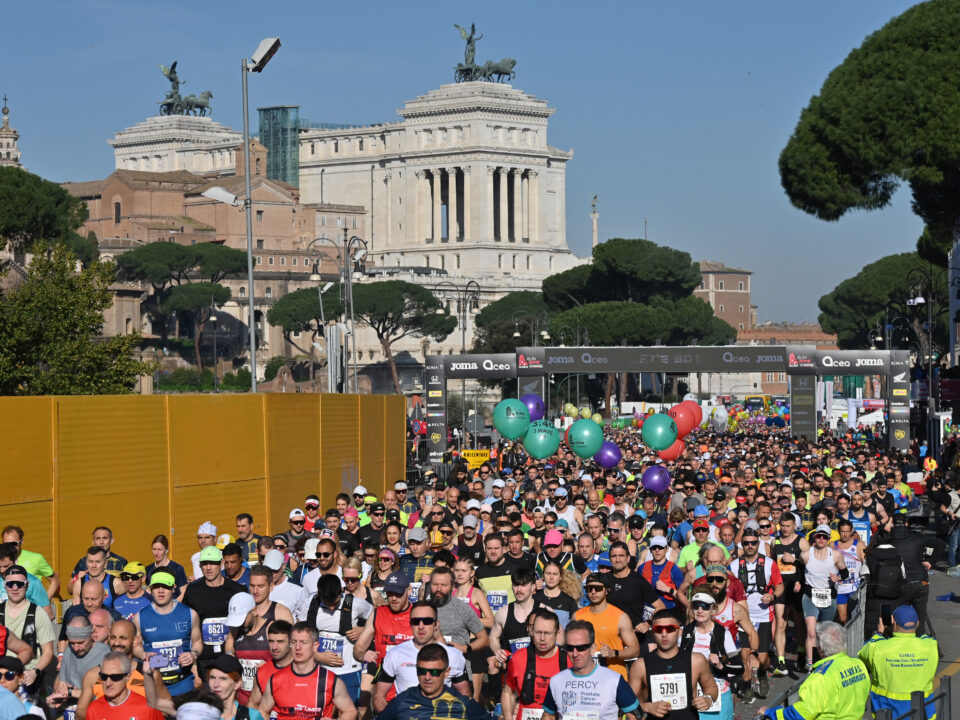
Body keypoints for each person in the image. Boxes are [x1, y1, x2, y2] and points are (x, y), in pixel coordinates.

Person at [372, 601, 470, 712]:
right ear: (410, 624)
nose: (421, 626)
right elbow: (378, 697)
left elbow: (465, 695)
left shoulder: (454, 656)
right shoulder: (394, 654)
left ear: (436, 624)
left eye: (427, 621)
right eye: (416, 621)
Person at [761, 621, 869, 720]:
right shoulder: (858, 664)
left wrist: (770, 713)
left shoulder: (820, 677)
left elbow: (800, 714)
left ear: (821, 648)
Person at [541, 619, 641, 720]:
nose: (575, 654)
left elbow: (636, 716)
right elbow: (548, 716)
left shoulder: (614, 680)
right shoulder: (556, 681)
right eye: (570, 648)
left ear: (593, 648)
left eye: (581, 648)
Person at [630, 609, 718, 720]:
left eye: (670, 629)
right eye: (658, 629)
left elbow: (711, 687)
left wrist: (708, 699)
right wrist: (647, 707)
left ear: (679, 631)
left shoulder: (696, 660)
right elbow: (629, 704)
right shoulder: (640, 665)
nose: (664, 634)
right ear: (652, 632)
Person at [258, 621, 357, 720]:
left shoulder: (330, 680)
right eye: (294, 642)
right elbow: (262, 712)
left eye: (303, 642)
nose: (297, 647)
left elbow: (350, 711)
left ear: (315, 646)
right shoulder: (276, 680)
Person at [728, 527, 783, 697]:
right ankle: (747, 687)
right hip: (743, 617)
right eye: (746, 543)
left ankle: (761, 673)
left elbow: (780, 585)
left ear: (758, 543)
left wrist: (772, 595)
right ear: (742, 545)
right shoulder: (734, 565)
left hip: (764, 615)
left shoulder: (769, 563)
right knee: (745, 653)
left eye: (753, 543)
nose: (750, 546)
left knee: (762, 658)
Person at [858, 606, 939, 720]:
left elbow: (863, 652)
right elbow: (925, 638)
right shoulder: (930, 646)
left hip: (887, 713)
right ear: (918, 623)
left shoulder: (878, 648)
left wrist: (879, 633)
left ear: (893, 621)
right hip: (923, 713)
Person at [133, 571, 201, 698]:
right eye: (156, 587)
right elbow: (135, 646)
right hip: (154, 685)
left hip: (183, 684)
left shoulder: (190, 614)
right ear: (151, 589)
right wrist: (143, 654)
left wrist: (193, 654)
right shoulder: (140, 617)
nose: (160, 591)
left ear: (174, 588)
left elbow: (197, 643)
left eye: (165, 586)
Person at [306, 574, 371, 704]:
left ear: (340, 592)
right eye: (327, 603)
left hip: (348, 671)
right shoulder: (311, 603)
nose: (330, 608)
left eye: (334, 603)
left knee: (348, 711)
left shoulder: (356, 604)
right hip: (319, 671)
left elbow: (376, 616)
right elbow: (300, 634)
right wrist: (316, 656)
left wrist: (363, 629)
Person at [681, 592, 742, 720]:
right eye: (696, 606)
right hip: (690, 690)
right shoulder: (684, 632)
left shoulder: (722, 633)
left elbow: (740, 668)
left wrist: (721, 666)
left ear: (713, 609)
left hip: (718, 689)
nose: (700, 610)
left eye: (705, 606)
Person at [181, 546, 246, 665]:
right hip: (202, 658)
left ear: (221, 563)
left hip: (230, 656)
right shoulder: (193, 590)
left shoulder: (237, 590)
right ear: (200, 565)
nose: (208, 568)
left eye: (213, 563)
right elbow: (185, 624)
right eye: (205, 564)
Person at [0, 564, 55, 699]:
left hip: (27, 677)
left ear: (27, 584)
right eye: (10, 584)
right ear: (5, 585)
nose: (14, 588)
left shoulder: (39, 613)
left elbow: (48, 651)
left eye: (20, 584)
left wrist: (35, 671)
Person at [502, 610, 567, 720]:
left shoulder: (568, 660)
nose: (542, 638)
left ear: (557, 632)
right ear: (531, 631)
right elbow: (508, 692)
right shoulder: (518, 658)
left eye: (547, 633)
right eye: (538, 632)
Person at [799, 524, 848, 671]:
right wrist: (797, 582)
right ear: (814, 537)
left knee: (826, 632)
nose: (821, 539)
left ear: (828, 538)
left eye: (824, 536)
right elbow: (800, 570)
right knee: (812, 631)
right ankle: (809, 664)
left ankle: (825, 661)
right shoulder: (806, 555)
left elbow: (845, 574)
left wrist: (838, 577)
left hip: (828, 596)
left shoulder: (836, 555)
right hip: (810, 596)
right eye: (819, 536)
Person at [573, 573, 640, 680]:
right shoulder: (577, 616)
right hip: (586, 678)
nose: (593, 592)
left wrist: (614, 653)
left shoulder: (621, 617)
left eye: (598, 588)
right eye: (589, 588)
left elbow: (635, 649)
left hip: (613, 678)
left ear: (607, 590)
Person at [770, 511, 807, 676]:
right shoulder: (774, 542)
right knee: (781, 623)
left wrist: (795, 561)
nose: (785, 529)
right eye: (782, 526)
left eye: (788, 526)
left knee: (799, 622)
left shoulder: (801, 542)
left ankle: (801, 653)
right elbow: (772, 564)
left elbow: (810, 563)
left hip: (796, 586)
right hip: (780, 587)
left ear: (794, 526)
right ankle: (781, 660)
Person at [50, 616, 111, 707]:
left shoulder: (106, 654)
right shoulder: (68, 651)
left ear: (91, 635)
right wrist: (56, 697)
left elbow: (103, 691)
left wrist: (71, 692)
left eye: (81, 643)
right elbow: (61, 685)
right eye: (72, 643)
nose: (76, 648)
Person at [85, 651, 163, 720]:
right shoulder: (93, 709)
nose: (108, 683)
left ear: (128, 677)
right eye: (104, 676)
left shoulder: (147, 708)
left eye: (115, 677)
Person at [832, 519, 865, 625]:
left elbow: (866, 564)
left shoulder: (859, 545)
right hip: (839, 588)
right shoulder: (833, 545)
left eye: (847, 531)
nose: (845, 534)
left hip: (854, 587)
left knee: (855, 617)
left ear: (851, 531)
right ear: (838, 531)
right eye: (842, 531)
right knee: (842, 618)